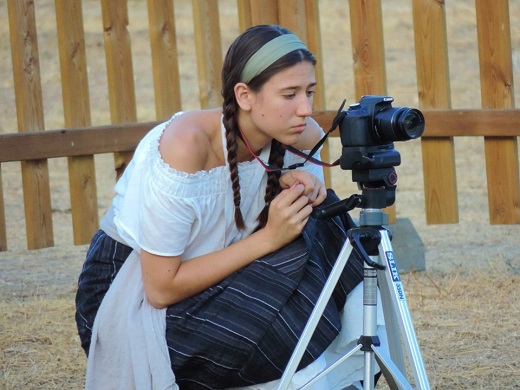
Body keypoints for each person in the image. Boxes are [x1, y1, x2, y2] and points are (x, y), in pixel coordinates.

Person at [75, 24, 385, 389]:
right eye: (289, 94)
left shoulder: (301, 135)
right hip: (134, 296)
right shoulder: (186, 146)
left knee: (325, 220)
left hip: (219, 276)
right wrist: (269, 237)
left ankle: (338, 370)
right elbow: (160, 288)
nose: (306, 109)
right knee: (287, 305)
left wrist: (297, 192)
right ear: (244, 95)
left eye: (309, 91)